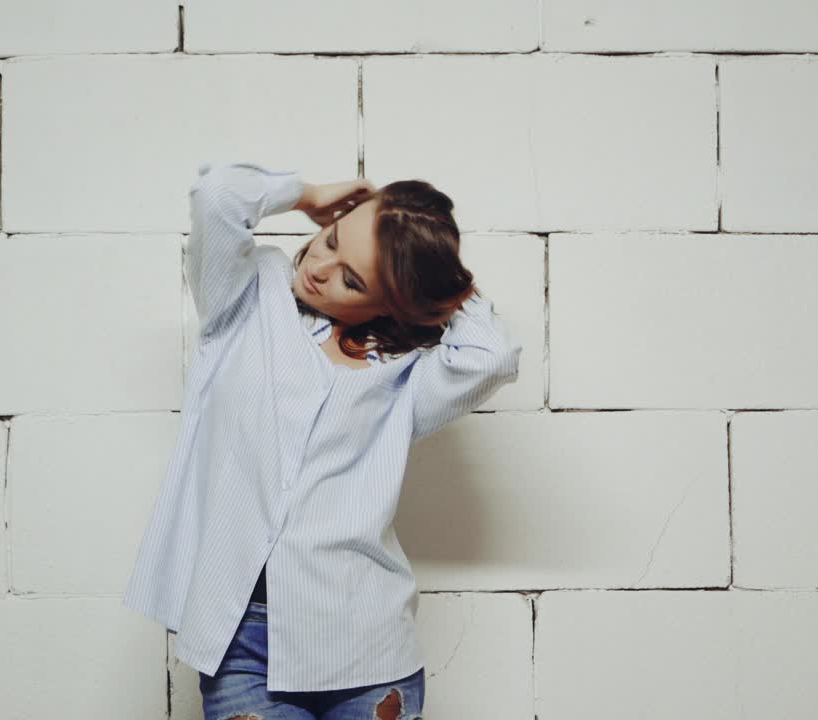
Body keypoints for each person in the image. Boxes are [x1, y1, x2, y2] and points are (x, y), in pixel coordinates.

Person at [122, 160, 522, 720]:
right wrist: (307, 195)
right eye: (332, 241)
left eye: (353, 279)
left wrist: (429, 265)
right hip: (242, 646)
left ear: (393, 304)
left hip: (370, 650)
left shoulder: (405, 378)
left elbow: (493, 356)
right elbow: (219, 195)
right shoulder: (245, 300)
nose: (319, 267)